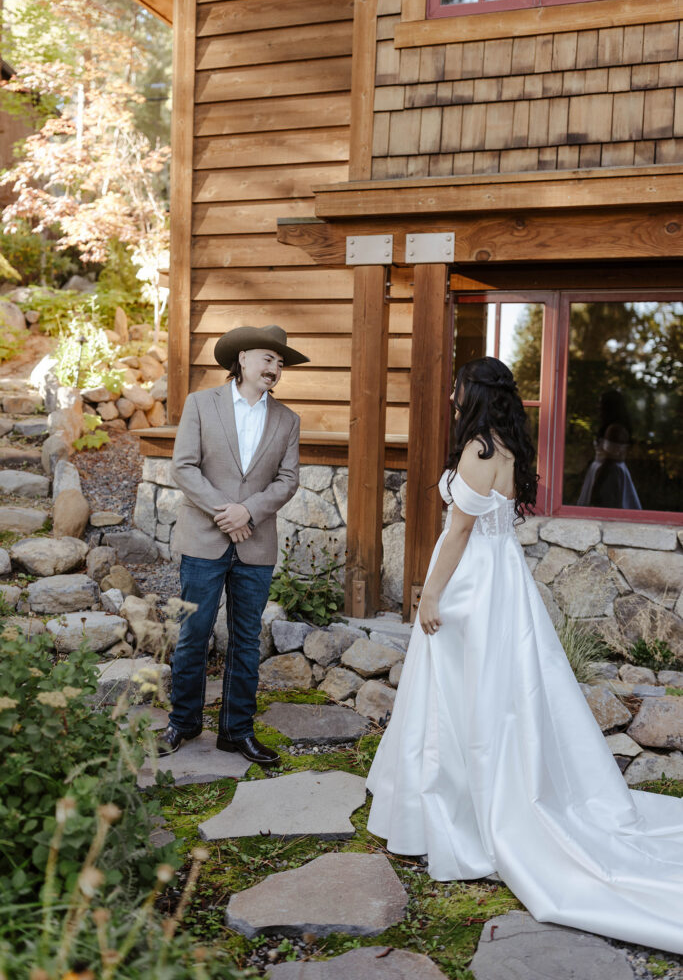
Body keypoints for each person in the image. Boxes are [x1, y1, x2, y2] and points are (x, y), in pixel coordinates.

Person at [367, 356, 683, 954]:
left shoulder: (478, 450)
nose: (453, 394)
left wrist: (429, 591)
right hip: (502, 576)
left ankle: (462, 805)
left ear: (473, 392)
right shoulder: (507, 445)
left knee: (464, 689)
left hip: (472, 581)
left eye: (458, 385)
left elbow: (459, 531)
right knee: (494, 688)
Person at [158, 324, 309, 767]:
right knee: (192, 636)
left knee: (246, 642)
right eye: (269, 359)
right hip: (203, 540)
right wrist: (229, 511)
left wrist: (250, 512)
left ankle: (236, 731)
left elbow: (288, 480)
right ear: (242, 359)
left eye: (281, 363)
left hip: (255, 547)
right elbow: (184, 468)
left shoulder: (288, 419)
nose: (276, 368)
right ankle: (183, 724)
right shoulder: (201, 404)